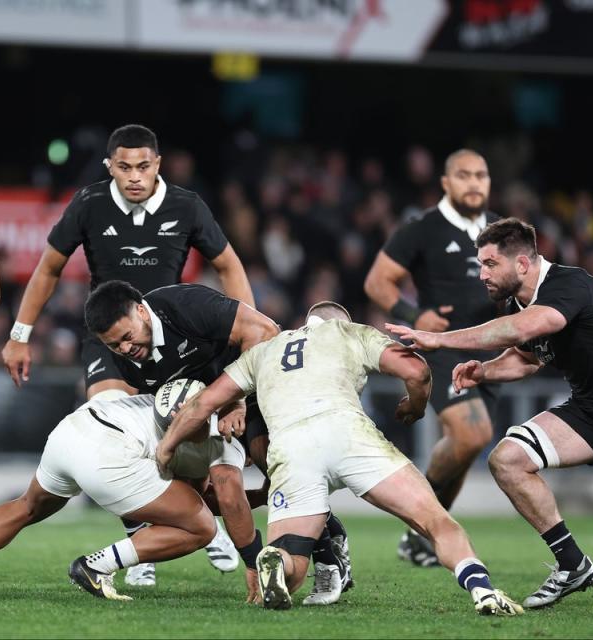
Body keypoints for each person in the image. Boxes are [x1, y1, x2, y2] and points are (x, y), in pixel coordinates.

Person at [385, 217, 593, 609]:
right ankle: (572, 565)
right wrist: (485, 370)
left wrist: (439, 340)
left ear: (522, 264)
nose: (482, 274)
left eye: (490, 264)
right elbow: (526, 359)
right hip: (592, 408)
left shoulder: (568, 285)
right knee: (508, 460)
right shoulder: (520, 301)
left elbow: (520, 328)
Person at [2, 124, 253, 585]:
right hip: (109, 340)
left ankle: (200, 516)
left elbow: (228, 265)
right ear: (109, 167)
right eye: (123, 167)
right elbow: (49, 267)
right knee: (109, 420)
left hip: (171, 338)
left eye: (142, 166)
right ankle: (143, 549)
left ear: (158, 164)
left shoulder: (187, 205)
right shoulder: (89, 203)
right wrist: (20, 334)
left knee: (184, 433)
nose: (134, 176)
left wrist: (244, 326)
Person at [155, 302, 522, 615]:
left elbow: (204, 402)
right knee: (434, 520)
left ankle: (275, 561)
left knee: (293, 566)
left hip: (291, 449)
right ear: (338, 321)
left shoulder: (264, 351)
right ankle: (482, 589)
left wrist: (167, 446)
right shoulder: (350, 333)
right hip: (348, 434)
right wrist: (415, 405)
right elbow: (417, 371)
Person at [85, 280, 358, 604]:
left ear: (142, 311)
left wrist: (237, 399)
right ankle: (278, 546)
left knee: (278, 467)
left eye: (127, 337)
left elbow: (266, 331)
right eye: (115, 345)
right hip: (210, 412)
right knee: (195, 499)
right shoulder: (127, 364)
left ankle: (329, 558)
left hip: (261, 386)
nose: (125, 349)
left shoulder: (185, 306)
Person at [0, 393, 260, 603]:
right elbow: (227, 503)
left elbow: (202, 499)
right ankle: (96, 566)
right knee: (202, 529)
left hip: (73, 429)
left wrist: (256, 496)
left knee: (26, 506)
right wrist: (251, 560)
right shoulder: (226, 436)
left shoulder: (179, 400)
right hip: (110, 451)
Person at [364, 149, 502, 567]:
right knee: (472, 436)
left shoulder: (500, 229)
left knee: (461, 453)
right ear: (445, 183)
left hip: (489, 347)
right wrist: (413, 315)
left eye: (481, 174)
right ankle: (416, 511)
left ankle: (420, 537)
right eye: (464, 175)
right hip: (443, 347)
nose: (474, 183)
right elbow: (377, 282)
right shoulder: (423, 228)